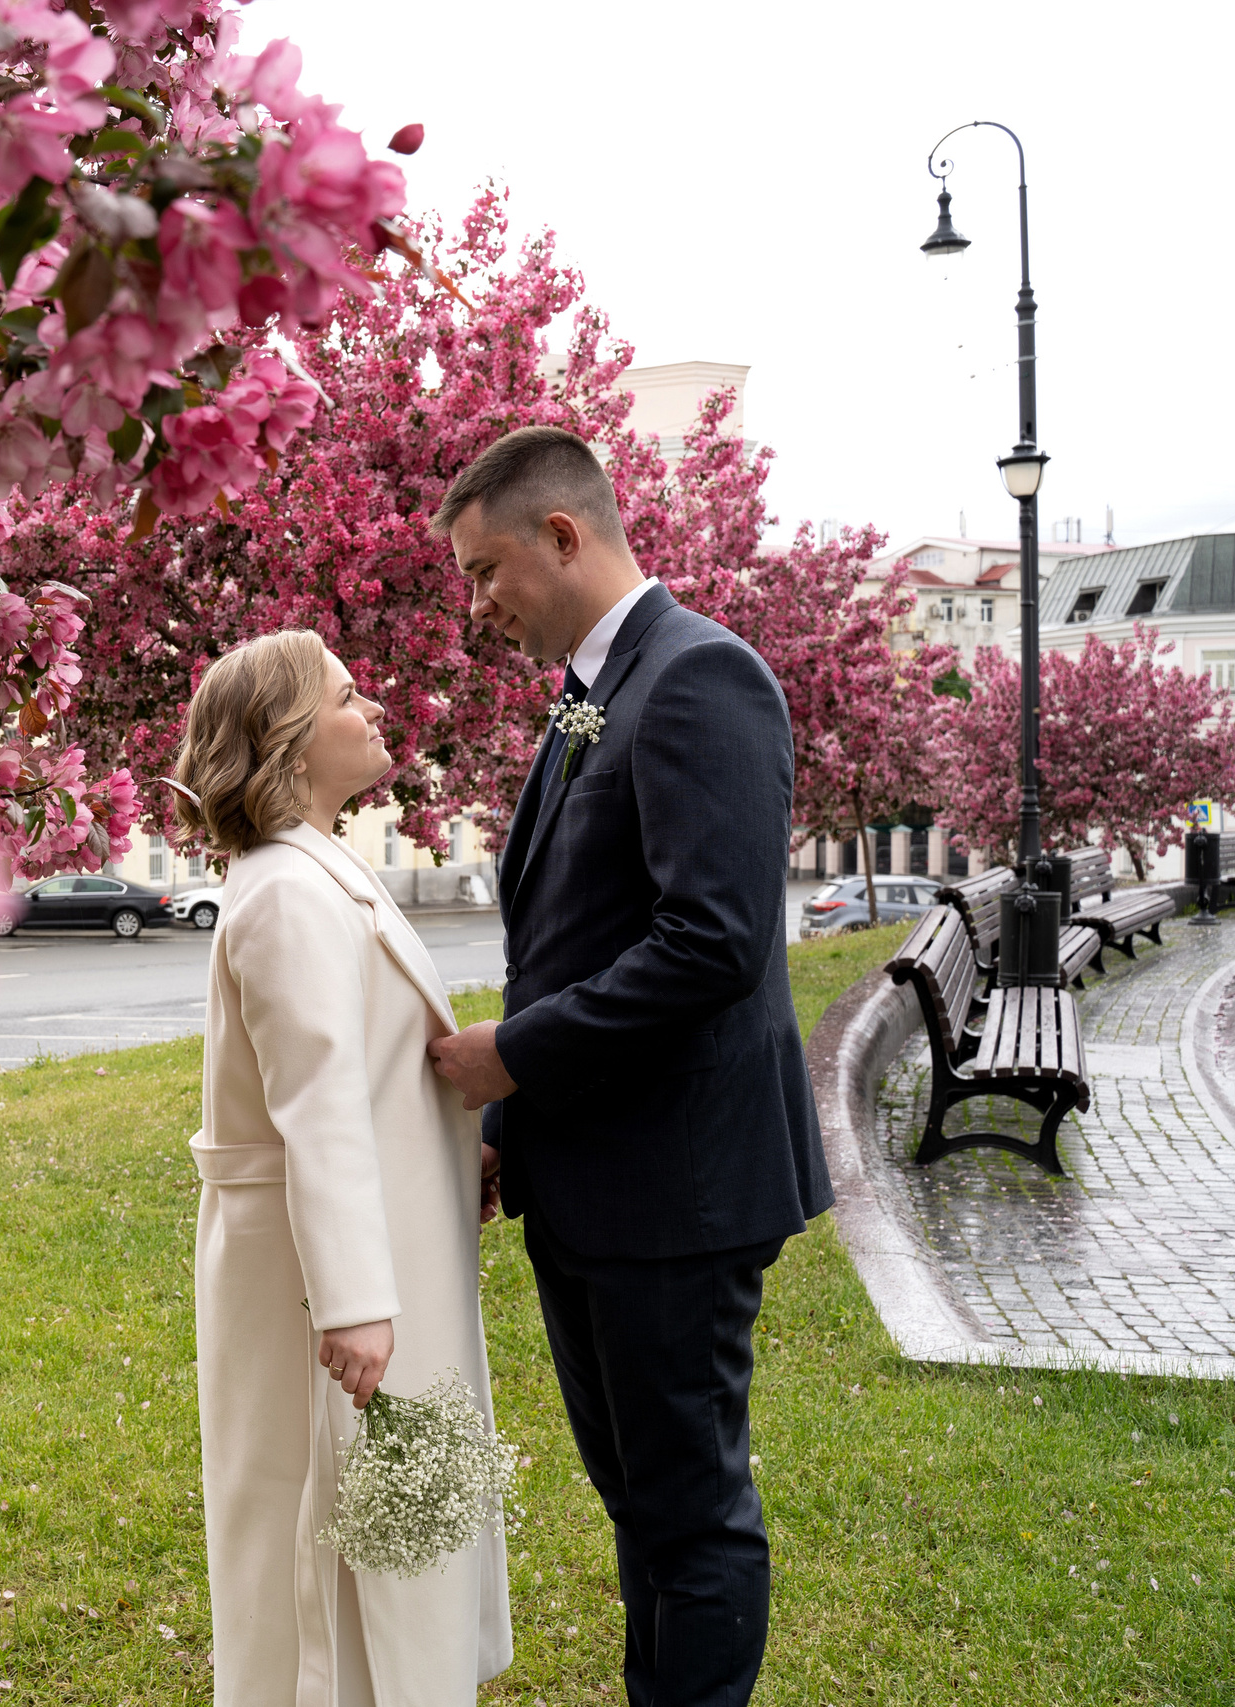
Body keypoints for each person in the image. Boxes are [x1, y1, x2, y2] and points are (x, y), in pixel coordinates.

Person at [424, 426, 830, 1707]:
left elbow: (711, 942)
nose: (479, 607)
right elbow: (570, 933)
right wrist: (512, 1120)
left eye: (487, 573)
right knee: (642, 1509)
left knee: (690, 1515)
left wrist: (512, 1056)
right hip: (596, 1179)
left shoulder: (700, 676)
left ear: (563, 535)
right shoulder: (595, 690)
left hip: (678, 1190)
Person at [174, 629, 512, 1707]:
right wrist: (355, 1303)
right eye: (346, 698)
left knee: (394, 1524)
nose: (373, 712)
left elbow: (366, 1078)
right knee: (329, 1539)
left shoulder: (318, 870)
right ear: (285, 739)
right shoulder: (284, 892)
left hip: (395, 1246)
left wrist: (459, 1158)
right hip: (335, 1281)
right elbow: (314, 1106)